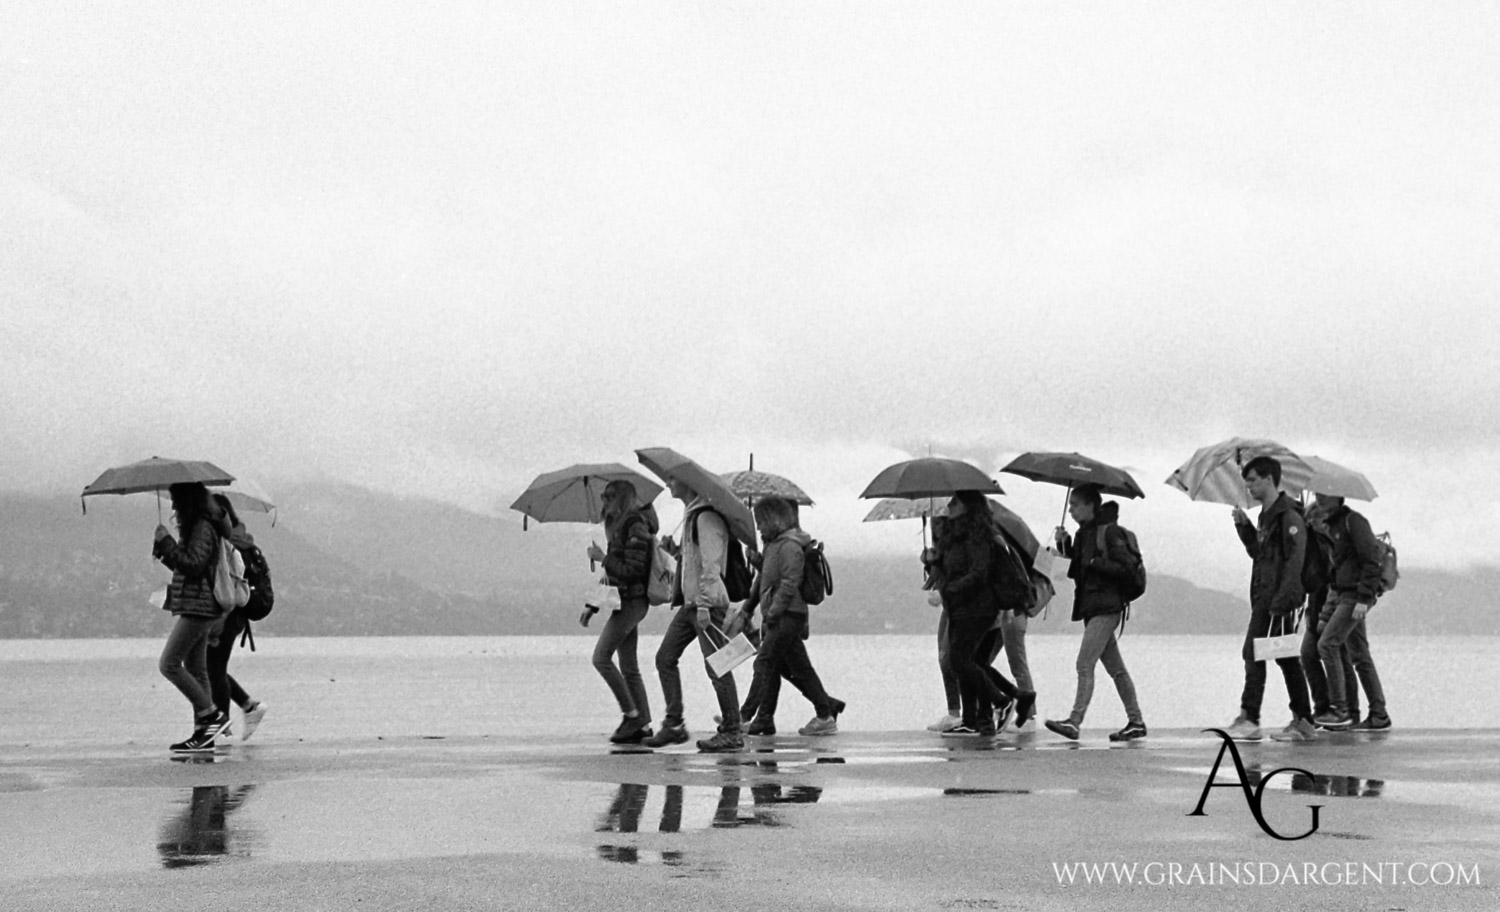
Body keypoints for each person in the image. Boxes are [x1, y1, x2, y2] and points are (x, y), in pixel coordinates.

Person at [643, 479, 744, 753]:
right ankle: (674, 724)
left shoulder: (706, 518)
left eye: (673, 480)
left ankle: (732, 731)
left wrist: (704, 606)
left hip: (705, 605)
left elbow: (712, 565)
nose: (669, 483)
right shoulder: (692, 517)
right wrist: (675, 552)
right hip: (691, 604)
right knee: (665, 658)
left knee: (717, 666)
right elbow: (696, 564)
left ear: (689, 484)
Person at [1043, 484, 1147, 741]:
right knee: (1116, 669)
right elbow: (1078, 569)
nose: (1071, 510)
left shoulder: (1109, 532)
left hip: (1107, 607)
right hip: (1092, 607)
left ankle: (1074, 721)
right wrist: (1064, 544)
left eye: (1076, 505)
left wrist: (1095, 562)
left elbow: (1126, 568)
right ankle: (1136, 722)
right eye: (1070, 506)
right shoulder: (1083, 534)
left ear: (1091, 505)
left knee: (1084, 663)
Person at [735, 497, 844, 736]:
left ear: (774, 520)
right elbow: (770, 578)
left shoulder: (790, 546)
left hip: (787, 615)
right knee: (794, 668)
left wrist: (773, 613)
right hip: (781, 615)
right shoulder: (774, 546)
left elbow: (789, 583)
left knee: (764, 662)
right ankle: (822, 712)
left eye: (761, 522)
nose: (759, 528)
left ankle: (742, 716)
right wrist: (758, 562)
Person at [1227, 456, 1316, 742]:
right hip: (1265, 596)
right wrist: (1245, 528)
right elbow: (1260, 554)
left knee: (1258, 652)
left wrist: (1285, 599)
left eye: (1253, 480)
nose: (1249, 486)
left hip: (1279, 599)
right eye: (1247, 481)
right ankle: (1300, 720)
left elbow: (1295, 560)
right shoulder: (1266, 516)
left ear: (1269, 479)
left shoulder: (1288, 516)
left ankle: (1253, 718)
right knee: (1281, 656)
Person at [152, 482, 232, 752]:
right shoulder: (200, 526)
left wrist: (168, 543)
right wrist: (165, 551)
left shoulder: (202, 526)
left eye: (176, 500)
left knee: (169, 664)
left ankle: (211, 715)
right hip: (197, 604)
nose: (173, 506)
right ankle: (203, 735)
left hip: (199, 606)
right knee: (196, 669)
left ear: (188, 500)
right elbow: (186, 565)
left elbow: (195, 565)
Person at [935, 490, 1017, 737]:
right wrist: (933, 562)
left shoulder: (979, 536)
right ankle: (970, 720)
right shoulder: (956, 535)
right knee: (963, 661)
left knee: (959, 660)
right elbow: (953, 569)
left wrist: (951, 590)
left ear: (968, 506)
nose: (949, 505)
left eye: (955, 501)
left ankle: (1001, 701)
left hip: (978, 607)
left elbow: (978, 573)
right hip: (960, 607)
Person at [583, 480, 658, 744]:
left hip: (633, 601)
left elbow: (632, 570)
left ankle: (632, 715)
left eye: (611, 496)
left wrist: (603, 558)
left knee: (601, 658)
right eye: (604, 496)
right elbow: (613, 575)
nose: (605, 501)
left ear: (624, 498)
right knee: (629, 667)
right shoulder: (618, 528)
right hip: (624, 601)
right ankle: (643, 724)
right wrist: (592, 606)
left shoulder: (635, 525)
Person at [1311, 492, 1391, 730]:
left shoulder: (1353, 521)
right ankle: (1379, 715)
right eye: (1317, 493)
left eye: (1324, 494)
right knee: (1360, 656)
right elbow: (1339, 570)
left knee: (1327, 645)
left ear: (1338, 496)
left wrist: (1364, 599)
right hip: (1345, 595)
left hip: (1355, 596)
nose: (1319, 497)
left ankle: (1340, 710)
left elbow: (1371, 561)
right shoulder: (1334, 525)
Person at [922, 515, 1006, 733]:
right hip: (955, 608)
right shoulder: (948, 547)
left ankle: (1000, 702)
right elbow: (944, 577)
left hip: (971, 609)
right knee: (952, 660)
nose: (936, 528)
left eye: (940, 523)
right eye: (933, 523)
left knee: (965, 661)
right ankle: (966, 715)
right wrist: (931, 563)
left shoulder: (969, 544)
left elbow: (967, 577)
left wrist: (944, 592)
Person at [204, 494, 269, 742]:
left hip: (226, 613)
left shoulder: (226, 543)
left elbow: (215, 578)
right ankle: (248, 706)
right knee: (212, 668)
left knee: (213, 669)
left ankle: (223, 730)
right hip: (234, 613)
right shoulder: (241, 539)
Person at [1298, 500, 1362, 728]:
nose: (1314, 523)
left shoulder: (1336, 542)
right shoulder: (1314, 541)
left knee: (1338, 655)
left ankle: (1346, 710)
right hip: (1318, 606)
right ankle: (1324, 708)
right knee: (1310, 654)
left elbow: (1332, 580)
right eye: (1310, 520)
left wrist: (1325, 614)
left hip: (1337, 604)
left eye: (1316, 519)